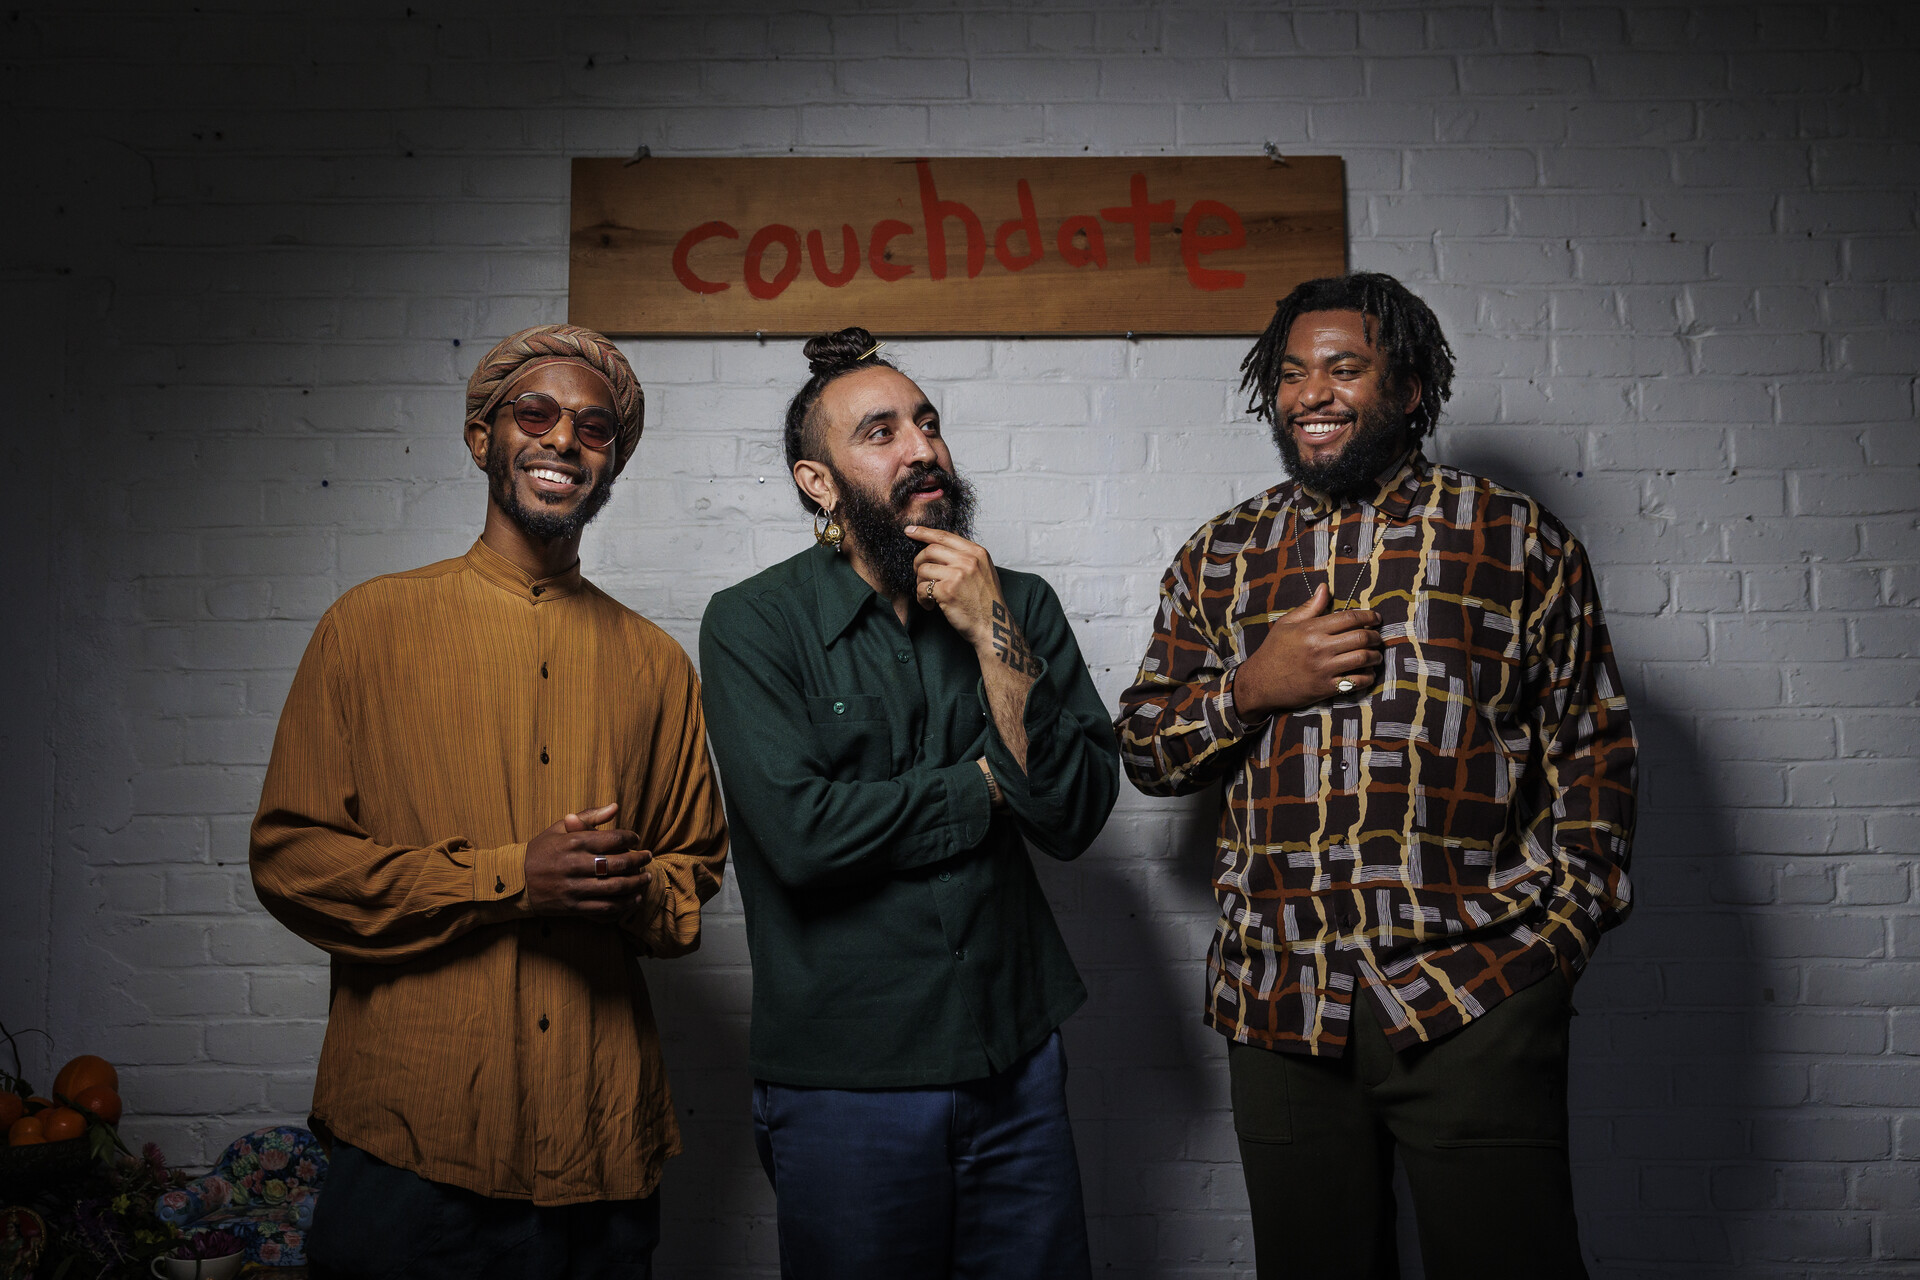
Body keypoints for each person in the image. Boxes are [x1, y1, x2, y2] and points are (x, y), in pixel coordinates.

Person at [1117, 273, 1635, 1279]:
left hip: (1473, 997)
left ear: (1407, 389)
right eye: (1292, 371)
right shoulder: (1220, 556)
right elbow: (1144, 747)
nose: (1311, 389)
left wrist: (1551, 949)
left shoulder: (1516, 540)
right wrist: (1251, 687)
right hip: (1280, 1007)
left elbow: (1596, 747)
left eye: (1343, 367)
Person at [250, 324, 729, 1279]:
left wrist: (630, 888)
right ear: (484, 438)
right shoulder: (368, 627)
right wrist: (513, 877)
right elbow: (292, 861)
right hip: (413, 1143)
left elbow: (691, 879)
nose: (563, 441)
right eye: (535, 414)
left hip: (601, 1146)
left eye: (594, 430)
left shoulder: (658, 666)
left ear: (612, 462)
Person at [698, 327, 1118, 1280]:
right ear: (819, 482)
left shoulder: (1020, 604)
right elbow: (802, 836)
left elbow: (1072, 815)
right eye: (880, 432)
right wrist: (982, 786)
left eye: (927, 423)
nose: (921, 448)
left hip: (1015, 1054)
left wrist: (991, 631)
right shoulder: (753, 623)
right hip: (848, 1078)